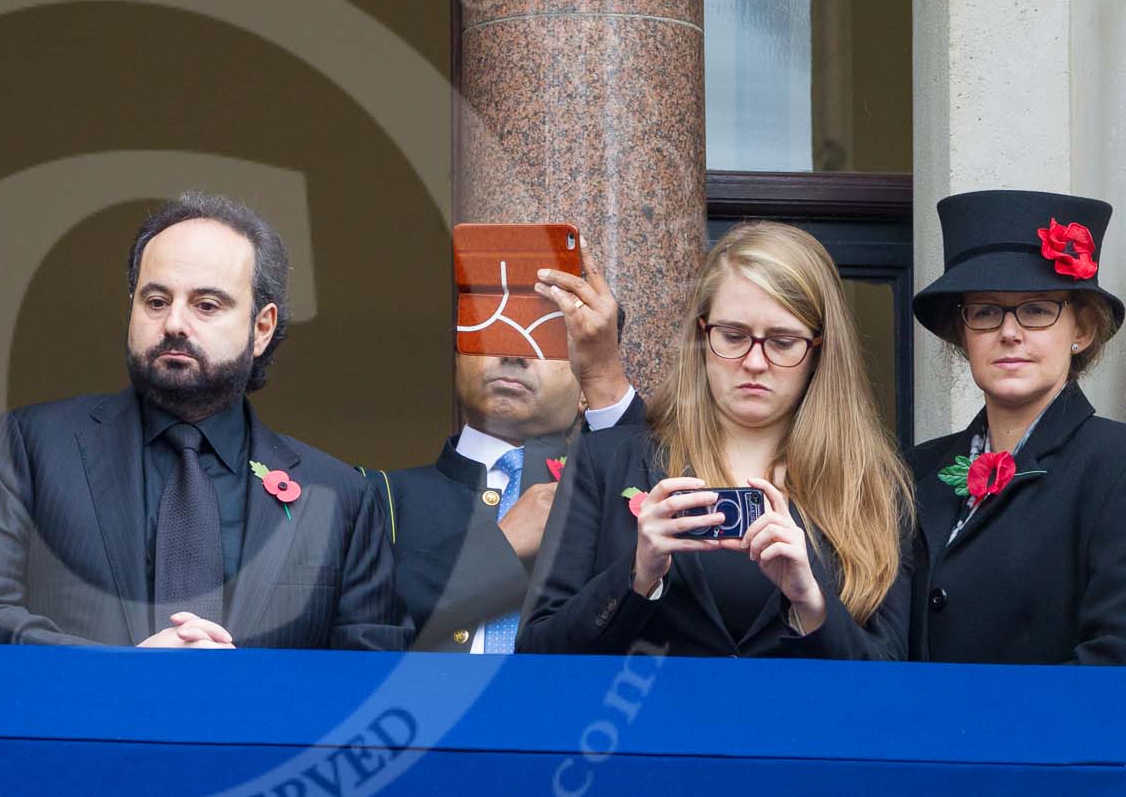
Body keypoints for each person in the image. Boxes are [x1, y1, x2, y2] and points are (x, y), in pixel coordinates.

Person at [0, 191, 406, 649]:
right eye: (156, 301)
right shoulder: (35, 446)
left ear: (261, 328)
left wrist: (249, 692)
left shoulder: (340, 496)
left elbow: (371, 679)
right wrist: (122, 675)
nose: (175, 323)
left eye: (206, 305)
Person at [520, 222, 910, 659]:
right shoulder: (607, 460)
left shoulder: (871, 485)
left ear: (820, 350)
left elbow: (891, 682)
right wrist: (637, 574)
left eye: (782, 342)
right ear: (702, 336)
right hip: (645, 727)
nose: (755, 362)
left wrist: (812, 603)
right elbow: (538, 652)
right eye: (733, 336)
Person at [360, 248, 640, 651]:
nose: (515, 352)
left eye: (547, 335)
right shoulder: (373, 495)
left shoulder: (607, 498)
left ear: (585, 387)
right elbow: (351, 626)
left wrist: (606, 379)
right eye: (494, 328)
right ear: (458, 355)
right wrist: (500, 548)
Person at [906, 190, 1126, 664]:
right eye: (985, 311)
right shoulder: (916, 470)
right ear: (964, 334)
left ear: (1081, 331)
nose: (1010, 332)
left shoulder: (1115, 464)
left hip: (1048, 736)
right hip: (918, 735)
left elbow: (1114, 657)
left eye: (1037, 309)